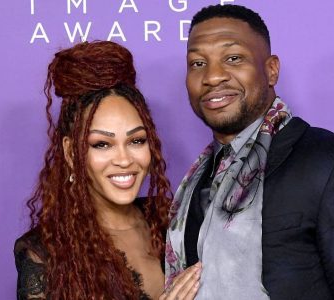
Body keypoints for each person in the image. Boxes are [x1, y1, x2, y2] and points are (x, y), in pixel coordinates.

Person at [165, 4, 334, 299]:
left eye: (233, 58)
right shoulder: (196, 183)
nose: (213, 76)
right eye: (197, 63)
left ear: (271, 70)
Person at [14, 41, 200, 300]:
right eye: (102, 144)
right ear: (70, 152)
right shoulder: (45, 252)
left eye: (136, 141)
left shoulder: (173, 221)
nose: (124, 160)